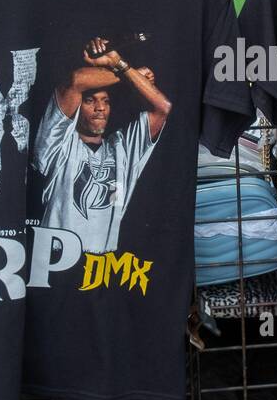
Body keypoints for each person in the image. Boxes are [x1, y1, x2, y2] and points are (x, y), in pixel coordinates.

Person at [33, 37, 172, 254]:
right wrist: (131, 75)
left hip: (102, 267)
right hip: (57, 262)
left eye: (105, 101)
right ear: (79, 106)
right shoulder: (57, 145)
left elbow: (162, 107)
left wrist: (118, 62)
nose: (100, 108)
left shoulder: (122, 148)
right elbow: (76, 81)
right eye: (90, 101)